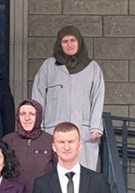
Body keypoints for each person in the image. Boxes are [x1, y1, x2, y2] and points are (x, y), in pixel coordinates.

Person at [31, 26, 105, 171]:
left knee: (83, 175)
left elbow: (98, 97)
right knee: (53, 173)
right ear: (59, 43)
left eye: (73, 40)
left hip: (83, 131)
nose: (69, 44)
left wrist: (95, 126)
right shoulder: (48, 66)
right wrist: (38, 127)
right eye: (65, 41)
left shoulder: (92, 68)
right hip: (53, 130)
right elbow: (37, 96)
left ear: (79, 42)